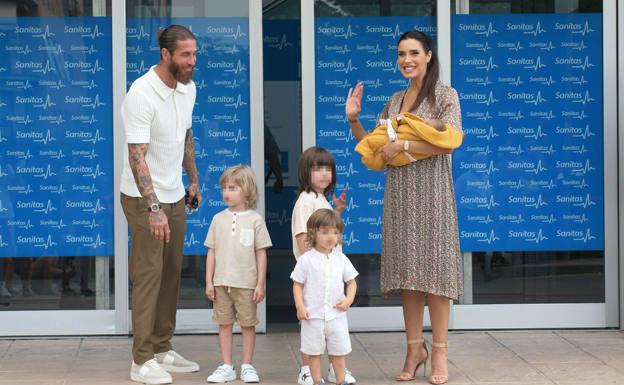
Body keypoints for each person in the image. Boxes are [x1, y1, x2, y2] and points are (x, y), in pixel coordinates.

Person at [344, 30, 463, 385]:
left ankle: (439, 350)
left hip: (434, 193)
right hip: (400, 194)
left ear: (428, 55)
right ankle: (414, 348)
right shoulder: (394, 101)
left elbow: (450, 142)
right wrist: (354, 119)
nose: (406, 60)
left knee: (437, 276)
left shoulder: (445, 95)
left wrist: (405, 147)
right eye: (400, 54)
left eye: (413, 52)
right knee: (410, 277)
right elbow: (375, 149)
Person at [120, 24, 202, 385]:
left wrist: (193, 179)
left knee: (171, 274)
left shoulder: (188, 89)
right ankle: (140, 361)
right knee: (149, 275)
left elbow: (185, 134)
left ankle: (161, 348)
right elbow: (137, 157)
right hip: (143, 198)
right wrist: (152, 208)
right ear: (166, 55)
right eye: (185, 55)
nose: (192, 61)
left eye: (195, 54)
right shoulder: (141, 93)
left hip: (173, 193)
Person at [290, 147, 353, 385]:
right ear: (305, 172)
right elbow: (303, 236)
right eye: (317, 169)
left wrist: (335, 211)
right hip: (315, 277)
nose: (324, 174)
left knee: (330, 326)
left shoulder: (320, 199)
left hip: (329, 275)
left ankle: (332, 369)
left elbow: (326, 230)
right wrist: (315, 265)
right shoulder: (306, 200)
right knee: (312, 326)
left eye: (328, 169)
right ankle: (307, 369)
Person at [204, 165, 272, 383]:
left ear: (247, 190)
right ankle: (226, 365)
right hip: (221, 282)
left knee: (247, 324)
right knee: (223, 324)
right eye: (224, 188)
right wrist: (209, 281)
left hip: (246, 283)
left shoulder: (255, 220)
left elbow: (261, 253)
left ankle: (247, 365)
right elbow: (211, 252)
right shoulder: (218, 219)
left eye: (232, 188)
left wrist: (260, 283)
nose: (226, 192)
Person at [291, 209, 358, 385]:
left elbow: (351, 282)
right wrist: (300, 306)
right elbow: (297, 284)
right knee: (313, 352)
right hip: (313, 316)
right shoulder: (306, 260)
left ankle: (341, 380)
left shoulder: (341, 259)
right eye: (325, 232)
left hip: (337, 316)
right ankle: (317, 380)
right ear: (313, 233)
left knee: (338, 352)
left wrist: (348, 300)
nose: (331, 237)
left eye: (335, 232)